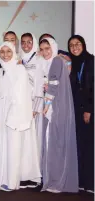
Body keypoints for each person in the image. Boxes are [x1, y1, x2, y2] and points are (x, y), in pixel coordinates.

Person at [0, 42, 41, 191]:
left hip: (14, 117)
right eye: (2, 52)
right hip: (0, 115)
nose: (5, 55)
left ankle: (11, 182)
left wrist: (11, 116)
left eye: (8, 51)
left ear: (13, 52)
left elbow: (21, 95)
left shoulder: (20, 70)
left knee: (13, 149)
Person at [39, 38, 78, 193]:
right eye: (42, 49)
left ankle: (56, 181)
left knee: (54, 143)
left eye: (47, 48)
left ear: (53, 47)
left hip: (55, 108)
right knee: (57, 143)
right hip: (59, 106)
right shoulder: (56, 61)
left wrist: (47, 107)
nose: (44, 52)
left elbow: (53, 87)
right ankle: (57, 179)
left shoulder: (56, 61)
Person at [68, 35, 94, 193]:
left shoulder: (90, 61)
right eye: (71, 45)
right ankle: (82, 181)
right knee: (79, 145)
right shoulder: (73, 63)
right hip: (76, 109)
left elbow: (92, 87)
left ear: (83, 45)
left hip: (88, 110)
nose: (74, 47)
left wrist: (88, 110)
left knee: (89, 146)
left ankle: (91, 183)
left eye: (77, 44)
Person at [19, 33, 44, 171]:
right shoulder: (18, 59)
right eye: (23, 42)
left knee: (35, 139)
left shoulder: (38, 59)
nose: (26, 45)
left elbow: (40, 83)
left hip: (34, 105)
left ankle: (35, 172)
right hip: (21, 105)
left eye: (29, 42)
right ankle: (23, 171)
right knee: (23, 140)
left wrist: (35, 107)